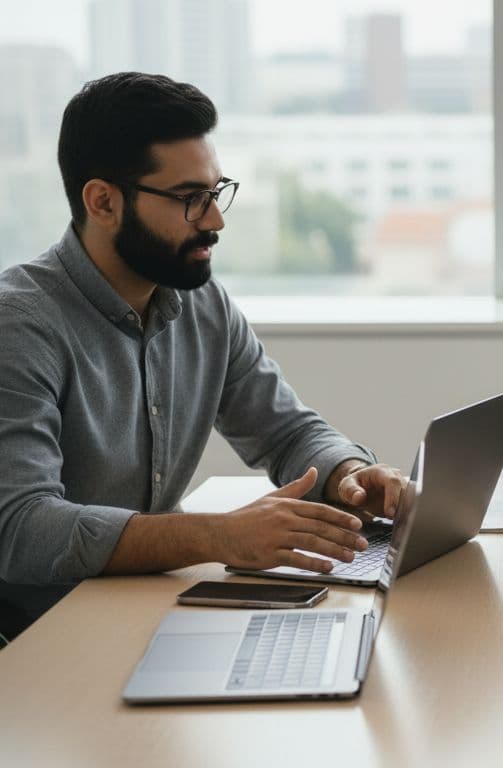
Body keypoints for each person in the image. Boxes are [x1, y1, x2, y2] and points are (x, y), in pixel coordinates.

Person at [0, 73, 404, 639]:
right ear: (103, 201)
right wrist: (218, 536)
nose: (215, 220)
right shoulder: (18, 324)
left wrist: (351, 475)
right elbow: (20, 529)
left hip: (149, 614)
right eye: (190, 199)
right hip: (41, 640)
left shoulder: (201, 304)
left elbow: (288, 433)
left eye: (216, 193)